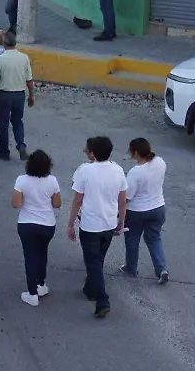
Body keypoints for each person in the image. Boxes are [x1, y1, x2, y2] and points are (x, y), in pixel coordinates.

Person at [67, 136, 128, 318]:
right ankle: (90, 289)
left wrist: (70, 223)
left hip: (90, 225)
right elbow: (122, 200)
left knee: (92, 262)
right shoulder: (118, 170)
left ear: (92, 153)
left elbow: (77, 200)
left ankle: (102, 300)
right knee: (98, 259)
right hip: (109, 223)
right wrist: (122, 221)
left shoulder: (85, 171)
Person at [14, 149, 61, 306]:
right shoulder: (52, 181)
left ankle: (32, 293)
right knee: (42, 253)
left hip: (27, 223)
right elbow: (57, 204)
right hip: (47, 224)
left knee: (30, 258)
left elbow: (16, 204)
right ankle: (41, 284)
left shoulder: (21, 180)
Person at [121, 137, 169, 284]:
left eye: (130, 150)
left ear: (136, 153)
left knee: (132, 239)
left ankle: (131, 267)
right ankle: (161, 270)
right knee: (154, 239)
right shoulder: (160, 162)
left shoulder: (135, 173)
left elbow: (128, 197)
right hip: (158, 208)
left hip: (137, 212)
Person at [0, 31, 34, 161]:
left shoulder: (0, 59)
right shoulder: (24, 57)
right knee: (18, 121)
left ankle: (4, 151)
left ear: (4, 44)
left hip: (5, 95)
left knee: (3, 123)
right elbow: (29, 80)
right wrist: (31, 95)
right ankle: (20, 145)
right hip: (19, 94)